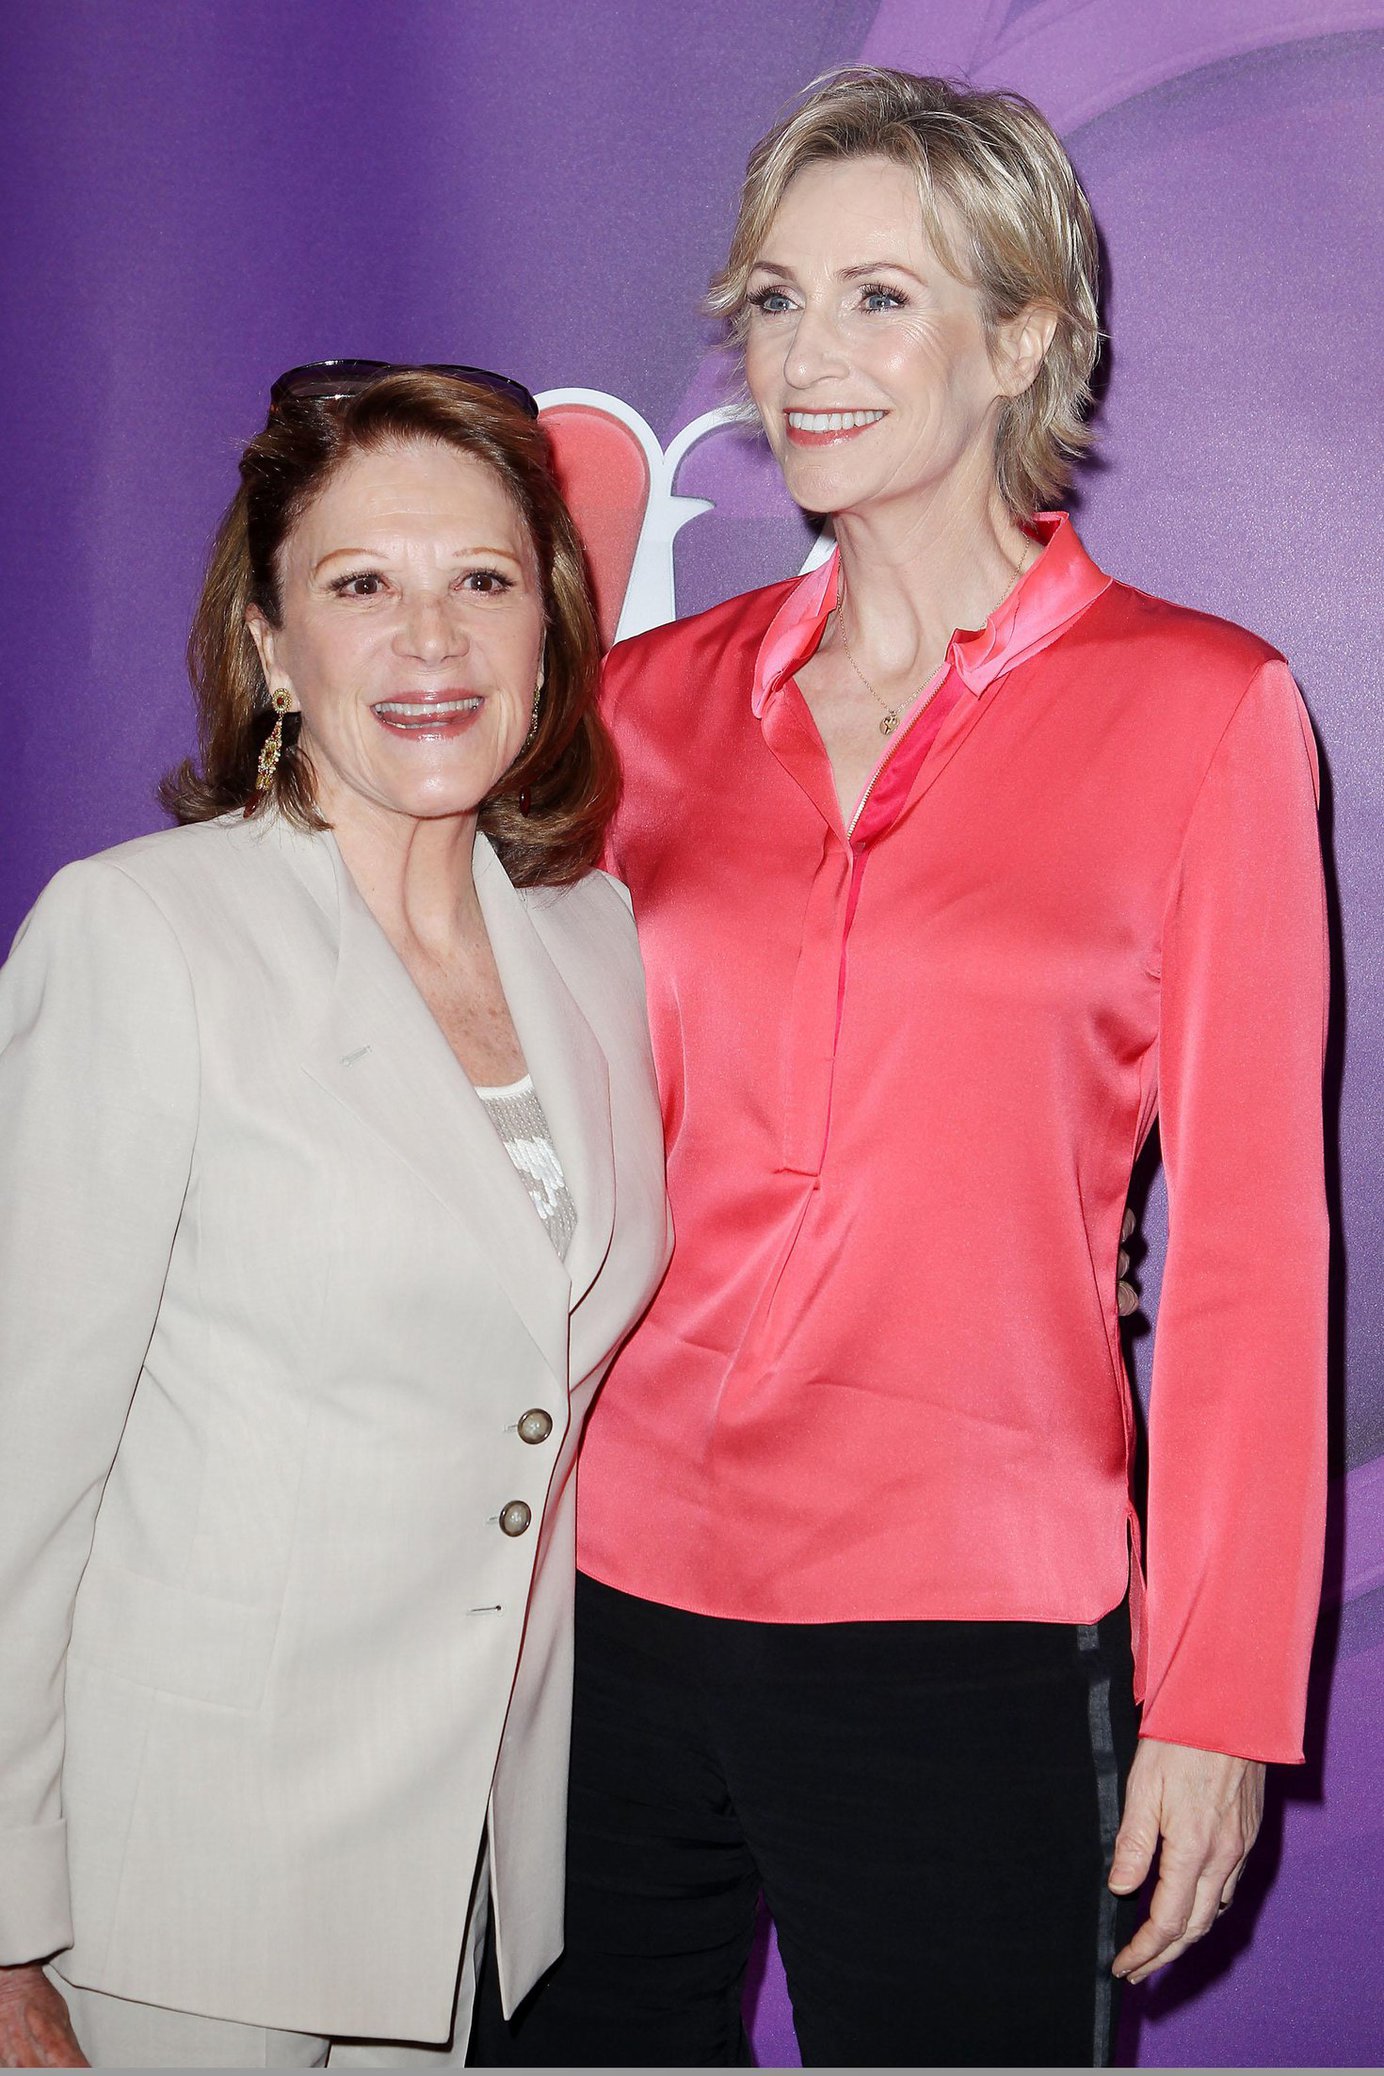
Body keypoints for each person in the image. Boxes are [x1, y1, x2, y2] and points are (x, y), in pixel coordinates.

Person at [473, 69, 1329, 2069]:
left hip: (964, 1628)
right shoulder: (632, 706)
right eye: (772, 299)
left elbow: (1246, 1256)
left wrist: (1212, 1695)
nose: (803, 358)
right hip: (597, 1604)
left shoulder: (1201, 714)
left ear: (1022, 333)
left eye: (878, 299)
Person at [0, 364, 670, 2069]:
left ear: (551, 629)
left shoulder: (592, 950)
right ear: (275, 646)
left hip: (464, 1896)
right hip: (178, 1901)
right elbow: (17, 1470)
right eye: (361, 585)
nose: (430, 638)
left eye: (483, 580)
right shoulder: (145, 938)